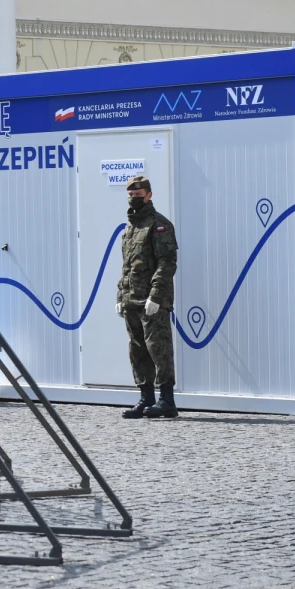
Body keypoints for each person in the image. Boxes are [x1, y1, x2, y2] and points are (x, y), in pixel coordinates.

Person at [116, 175, 179, 419]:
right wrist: (120, 295)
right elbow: (127, 266)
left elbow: (167, 263)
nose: (134, 199)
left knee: (158, 348)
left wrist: (156, 295)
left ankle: (167, 401)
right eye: (131, 195)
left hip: (152, 301)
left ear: (149, 195)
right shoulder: (130, 228)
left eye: (139, 195)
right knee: (138, 350)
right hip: (131, 300)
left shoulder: (159, 224)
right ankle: (146, 398)